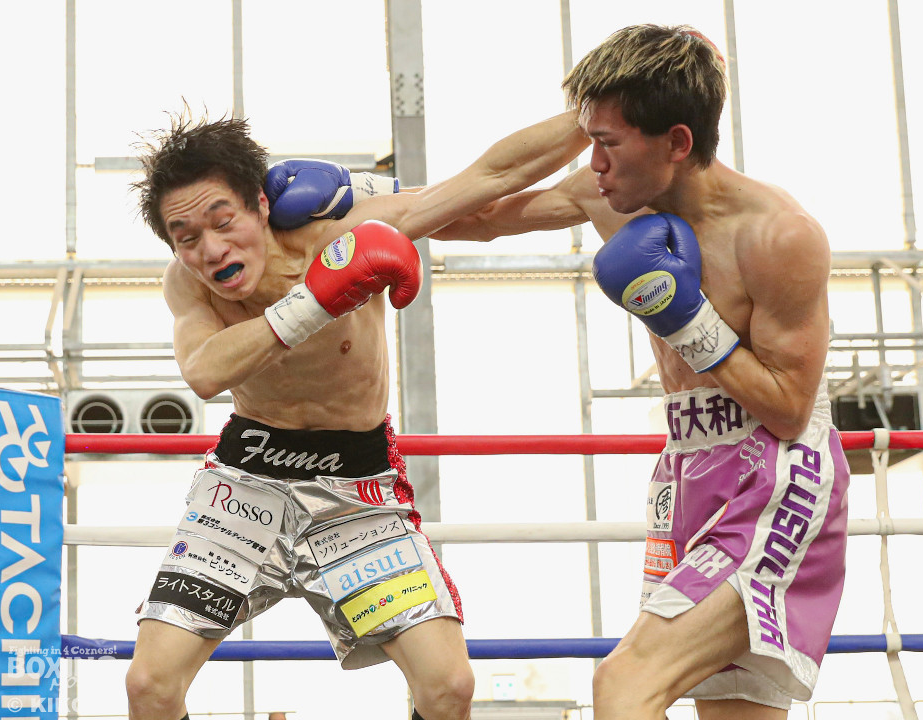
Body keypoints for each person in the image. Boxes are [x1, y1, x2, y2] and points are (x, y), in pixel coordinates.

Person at [266, 22, 851, 720]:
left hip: (778, 476)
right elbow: (484, 211)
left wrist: (687, 320)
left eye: (608, 144)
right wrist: (358, 193)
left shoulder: (778, 235)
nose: (593, 163)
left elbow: (788, 407)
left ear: (677, 142)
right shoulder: (609, 196)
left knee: (625, 683)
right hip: (690, 467)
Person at [124, 108, 587, 720]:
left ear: (260, 205)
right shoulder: (187, 285)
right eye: (186, 238)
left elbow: (485, 187)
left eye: (223, 221)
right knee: (150, 686)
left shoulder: (343, 233)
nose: (211, 249)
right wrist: (314, 299)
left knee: (448, 686)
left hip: (358, 486)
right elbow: (205, 371)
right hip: (245, 484)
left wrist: (597, 115)